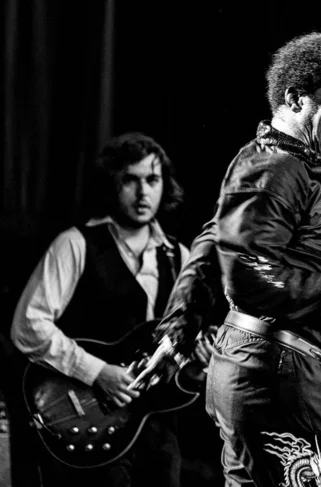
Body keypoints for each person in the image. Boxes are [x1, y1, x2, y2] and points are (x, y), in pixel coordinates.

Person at [159, 31, 321, 487]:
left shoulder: (285, 165)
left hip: (269, 372)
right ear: (294, 98)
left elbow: (211, 245)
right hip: (282, 376)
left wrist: (178, 328)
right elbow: (245, 274)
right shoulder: (277, 167)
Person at [10, 132, 190, 487]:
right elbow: (27, 326)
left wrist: (198, 362)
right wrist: (97, 371)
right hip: (87, 420)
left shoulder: (179, 257)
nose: (143, 193)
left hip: (155, 427)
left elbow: (179, 352)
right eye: (130, 180)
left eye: (152, 180)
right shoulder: (75, 244)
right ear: (111, 184)